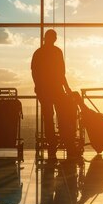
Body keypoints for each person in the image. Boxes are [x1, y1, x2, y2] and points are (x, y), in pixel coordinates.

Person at [31, 29, 73, 159]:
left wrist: (38, 87)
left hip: (45, 90)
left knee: (48, 118)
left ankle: (52, 144)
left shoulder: (38, 53)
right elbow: (61, 74)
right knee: (62, 117)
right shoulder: (57, 52)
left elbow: (35, 72)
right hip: (56, 89)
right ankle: (66, 142)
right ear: (53, 38)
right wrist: (67, 88)